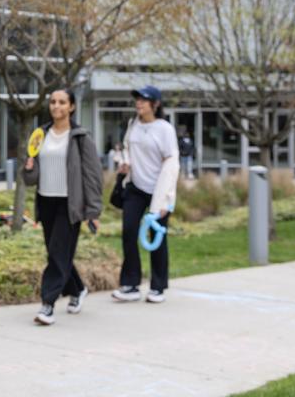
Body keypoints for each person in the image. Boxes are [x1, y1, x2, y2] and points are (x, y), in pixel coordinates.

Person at [22, 89, 103, 325]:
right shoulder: (40, 135)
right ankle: (77, 289)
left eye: (62, 102)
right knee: (57, 253)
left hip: (70, 204)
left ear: (72, 107)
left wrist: (93, 212)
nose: (56, 106)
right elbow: (30, 179)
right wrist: (29, 168)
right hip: (46, 201)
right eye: (53, 102)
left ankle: (47, 304)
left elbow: (93, 176)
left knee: (58, 253)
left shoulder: (80, 137)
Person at [112, 85, 179, 304]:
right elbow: (127, 149)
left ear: (155, 104)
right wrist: (124, 164)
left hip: (158, 192)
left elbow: (171, 164)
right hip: (136, 188)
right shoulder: (133, 125)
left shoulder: (165, 129)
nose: (138, 103)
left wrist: (163, 200)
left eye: (144, 100)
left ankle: (158, 287)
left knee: (157, 237)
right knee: (129, 232)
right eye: (137, 99)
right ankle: (131, 284)